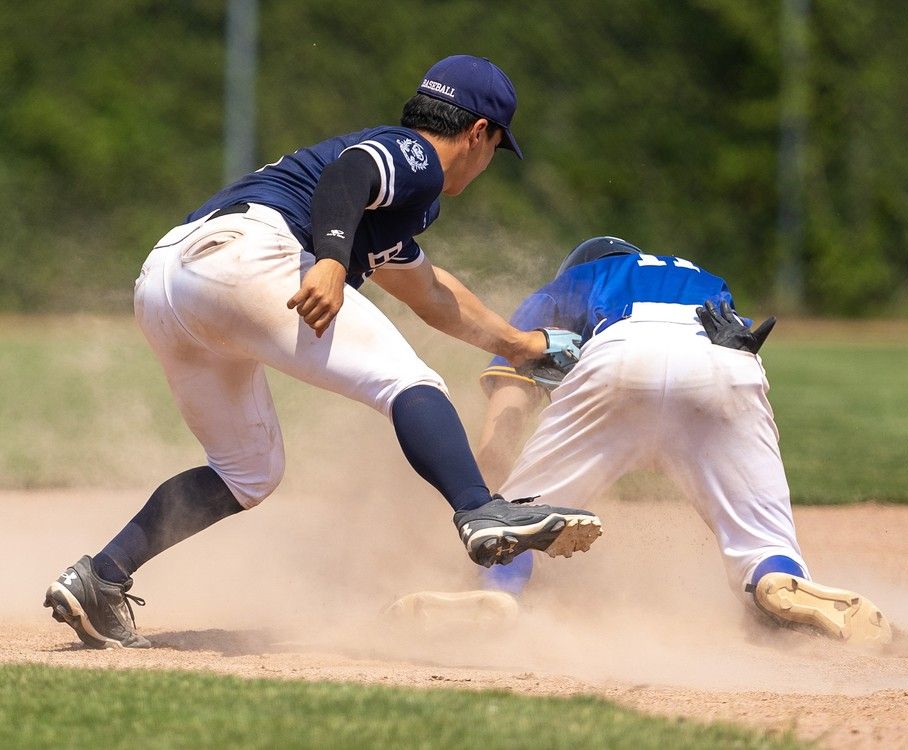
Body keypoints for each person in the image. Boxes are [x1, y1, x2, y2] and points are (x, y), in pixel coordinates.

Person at [42, 56, 602, 650]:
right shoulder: (413, 156)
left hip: (165, 282)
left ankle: (101, 577)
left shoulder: (390, 213)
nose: (489, 161)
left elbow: (433, 294)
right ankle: (480, 510)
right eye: (495, 147)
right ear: (478, 133)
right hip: (249, 257)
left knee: (248, 470)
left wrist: (521, 345)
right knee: (409, 382)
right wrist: (333, 259)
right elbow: (350, 172)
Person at [391, 236, 892, 647]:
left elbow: (509, 405)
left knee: (523, 515)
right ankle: (774, 577)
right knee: (762, 537)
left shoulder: (572, 281)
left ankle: (499, 592)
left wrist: (492, 495)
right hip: (727, 362)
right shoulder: (699, 277)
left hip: (623, 354)